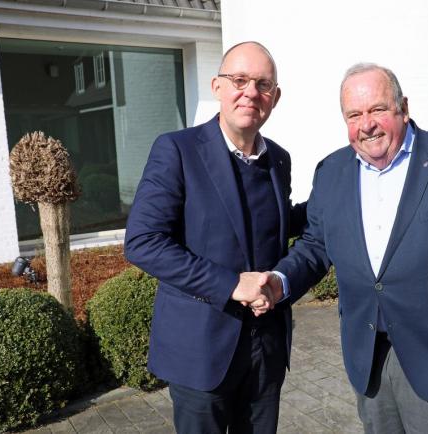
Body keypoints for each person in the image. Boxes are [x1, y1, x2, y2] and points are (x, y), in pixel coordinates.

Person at [263, 63, 428, 433]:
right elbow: (316, 245)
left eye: (378, 109)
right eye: (354, 115)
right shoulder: (331, 171)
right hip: (369, 353)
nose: (366, 124)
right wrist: (280, 281)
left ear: (403, 108)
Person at [124, 41, 306, 434]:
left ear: (275, 97)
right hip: (201, 350)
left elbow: (272, 227)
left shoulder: (278, 159)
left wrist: (336, 201)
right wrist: (230, 284)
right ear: (217, 86)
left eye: (263, 84)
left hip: (266, 348)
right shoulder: (178, 150)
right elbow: (143, 241)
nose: (250, 92)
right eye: (239, 80)